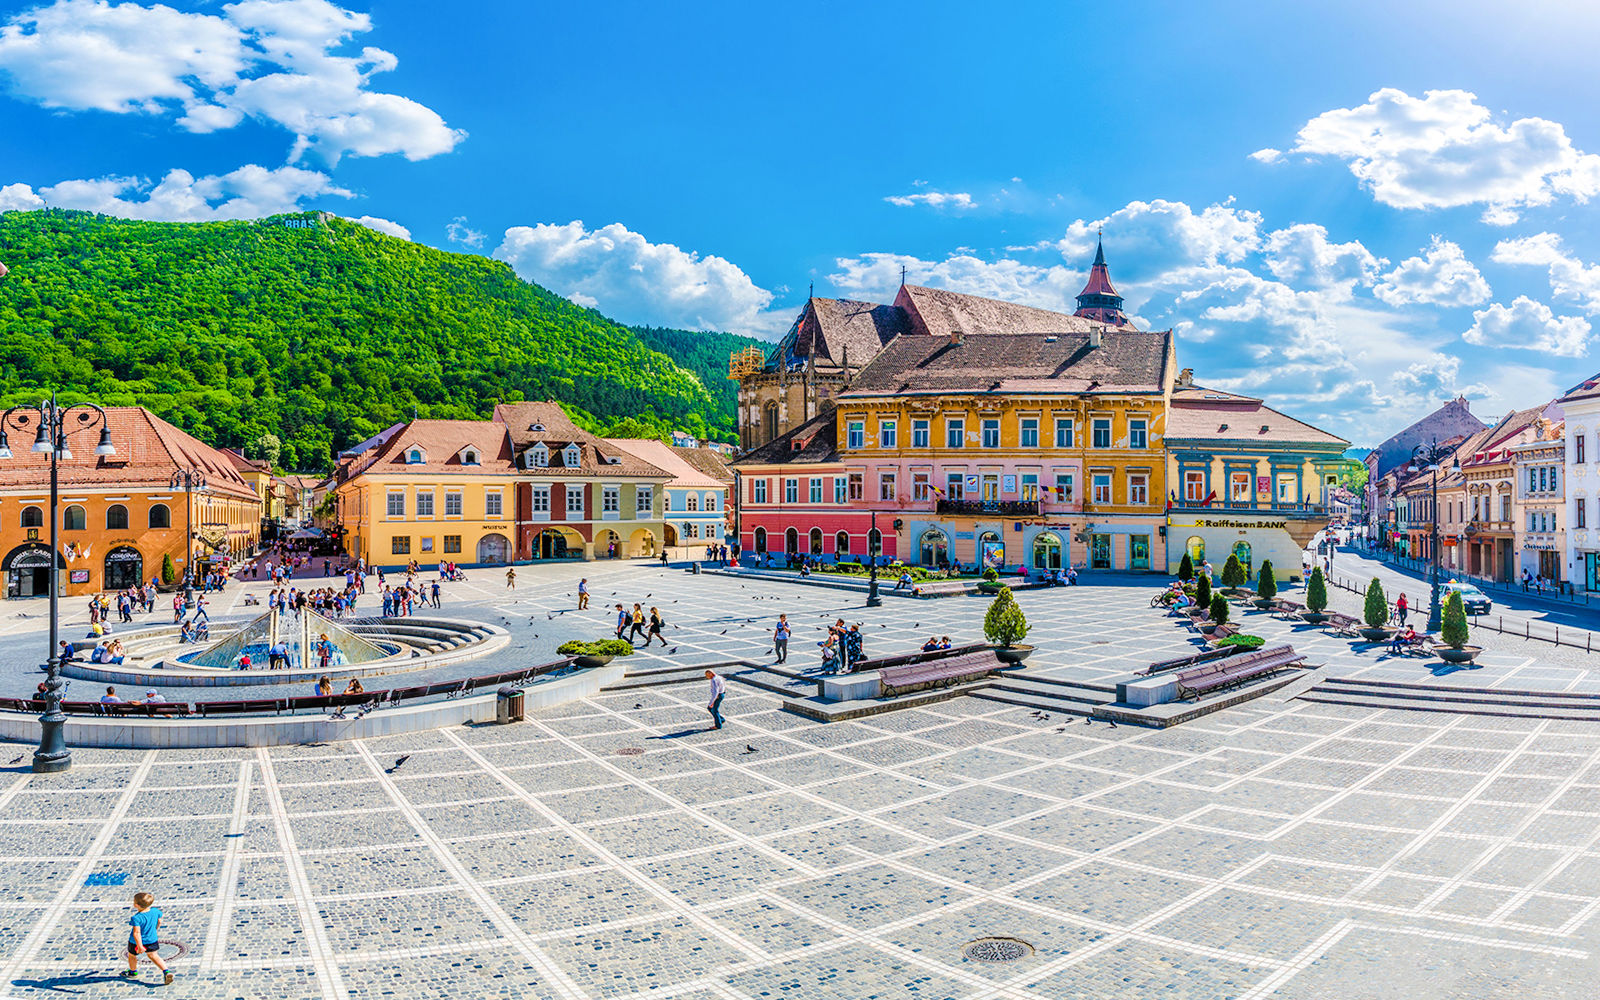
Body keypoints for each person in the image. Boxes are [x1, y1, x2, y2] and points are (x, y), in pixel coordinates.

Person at [122, 891, 174, 985]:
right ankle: (166, 971)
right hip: (152, 939)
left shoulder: (136, 918)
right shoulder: (155, 911)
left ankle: (133, 972)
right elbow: (160, 921)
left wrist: (140, 946)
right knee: (154, 956)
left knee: (132, 955)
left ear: (136, 905)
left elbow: (137, 933)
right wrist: (155, 929)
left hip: (136, 942)